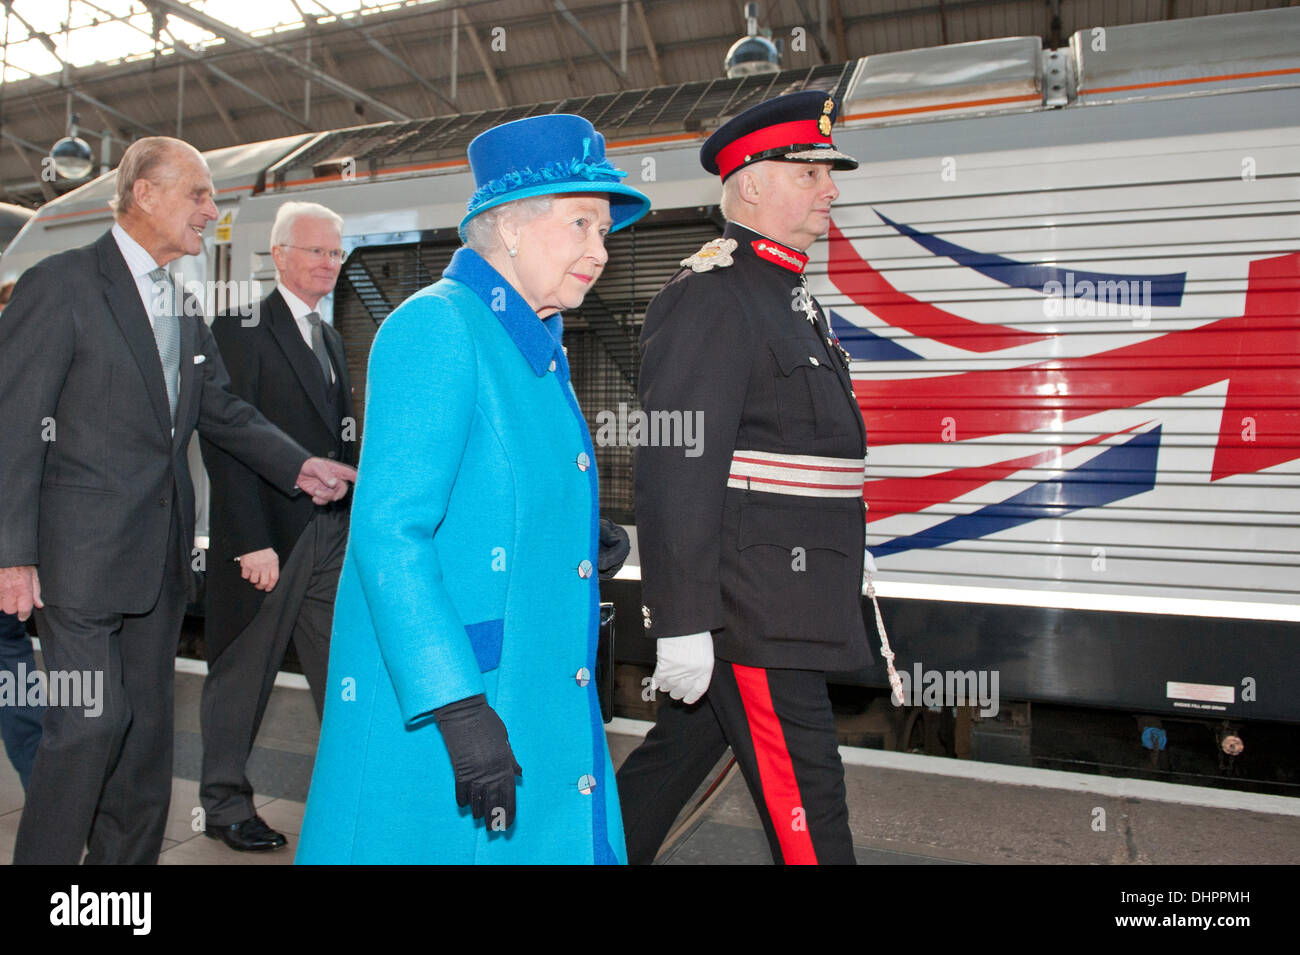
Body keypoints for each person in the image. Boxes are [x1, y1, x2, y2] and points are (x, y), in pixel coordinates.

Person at [297, 114, 647, 864]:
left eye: (605, 229)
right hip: (466, 703)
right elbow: (390, 532)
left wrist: (577, 536)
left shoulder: (532, 339)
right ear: (511, 228)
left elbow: (497, 494)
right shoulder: (438, 328)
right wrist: (457, 704)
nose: (601, 249)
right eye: (582, 222)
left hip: (532, 689)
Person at [0, 136, 356, 865]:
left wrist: (301, 467)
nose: (209, 210)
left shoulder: (181, 304)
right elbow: (13, 428)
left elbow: (221, 411)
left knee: (145, 747)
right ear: (144, 194)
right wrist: (12, 556)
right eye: (196, 194)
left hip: (156, 565)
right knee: (88, 728)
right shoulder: (61, 284)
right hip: (77, 562)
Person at [615, 91, 869, 865]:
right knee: (809, 804)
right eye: (811, 172)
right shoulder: (715, 295)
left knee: (670, 767)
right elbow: (675, 466)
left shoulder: (788, 298)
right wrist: (683, 618)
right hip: (752, 609)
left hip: (782, 596)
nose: (831, 188)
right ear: (753, 183)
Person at [198, 201, 357, 852]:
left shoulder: (332, 337)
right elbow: (224, 434)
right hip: (267, 535)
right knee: (244, 677)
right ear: (281, 256)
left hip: (328, 534)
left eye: (337, 253)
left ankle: (351, 791)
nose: (329, 263)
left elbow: (338, 434)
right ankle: (224, 805)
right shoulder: (239, 326)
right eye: (317, 251)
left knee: (341, 670)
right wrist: (248, 540)